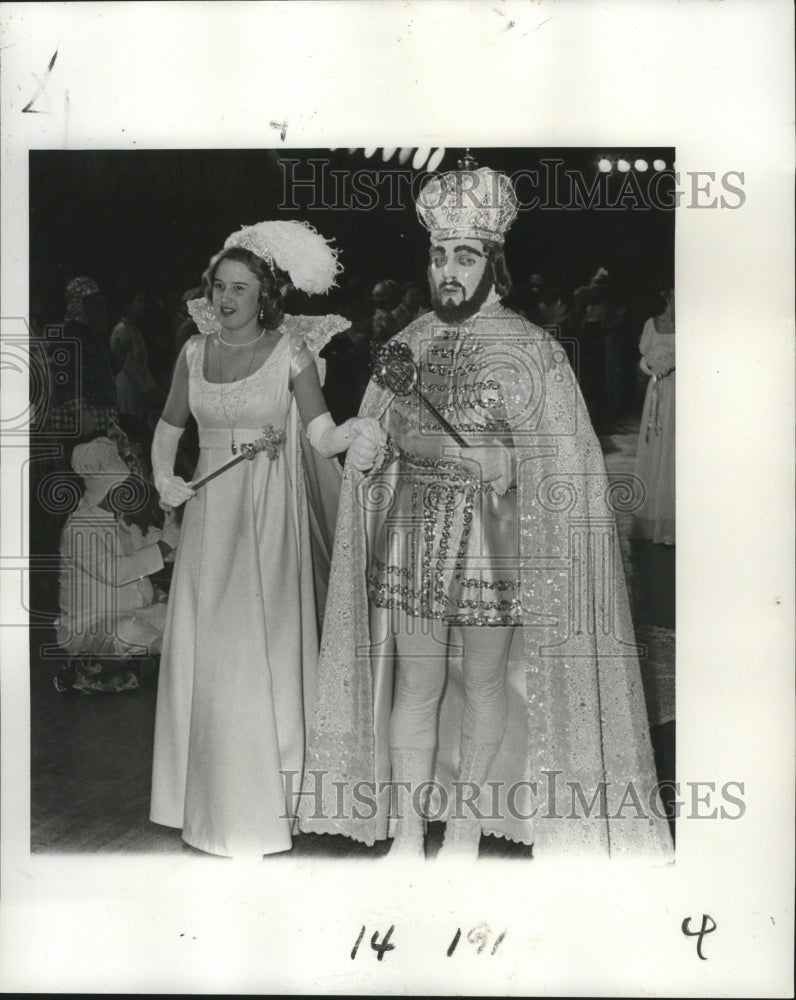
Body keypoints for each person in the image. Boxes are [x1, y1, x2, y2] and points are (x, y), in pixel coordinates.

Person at [298, 159, 673, 862]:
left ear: (493, 262)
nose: (447, 270)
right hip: (412, 544)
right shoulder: (408, 343)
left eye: (463, 256)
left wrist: (507, 463)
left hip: (491, 548)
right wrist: (369, 446)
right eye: (438, 254)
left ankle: (466, 828)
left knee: (483, 683)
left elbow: (569, 466)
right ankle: (410, 831)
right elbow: (374, 446)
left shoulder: (534, 351)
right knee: (416, 682)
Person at [148, 220, 382, 858]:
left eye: (240, 289)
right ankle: (202, 798)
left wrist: (354, 433)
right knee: (210, 649)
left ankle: (266, 802)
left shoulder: (291, 352)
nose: (226, 299)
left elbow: (319, 432)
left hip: (269, 515)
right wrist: (162, 477)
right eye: (219, 286)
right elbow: (169, 428)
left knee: (260, 649)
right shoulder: (194, 353)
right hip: (208, 512)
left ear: (264, 297)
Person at [55, 437, 179, 692]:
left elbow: (161, 550)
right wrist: (166, 544)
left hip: (136, 613)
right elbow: (116, 572)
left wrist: (173, 524)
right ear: (104, 488)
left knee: (177, 616)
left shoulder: (122, 520)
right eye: (122, 486)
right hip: (92, 628)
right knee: (129, 631)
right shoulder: (77, 529)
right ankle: (164, 659)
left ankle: (151, 660)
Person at [631, 285, 675, 545]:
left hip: (682, 392)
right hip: (658, 392)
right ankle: (655, 517)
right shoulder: (651, 324)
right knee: (658, 443)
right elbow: (642, 361)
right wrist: (654, 366)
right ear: (666, 294)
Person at [110, 287, 159, 422]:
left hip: (137, 389)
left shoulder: (135, 330)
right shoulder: (122, 330)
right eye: (139, 302)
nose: (143, 305)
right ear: (128, 305)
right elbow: (121, 366)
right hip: (127, 391)